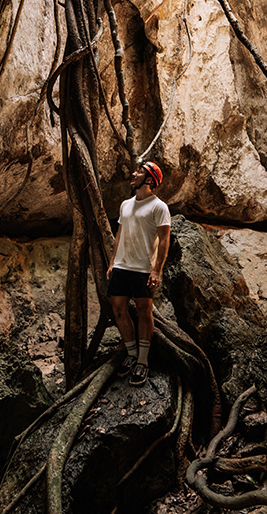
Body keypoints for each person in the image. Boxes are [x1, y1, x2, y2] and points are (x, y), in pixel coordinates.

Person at [106, 161, 171, 386]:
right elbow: (120, 235)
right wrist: (112, 262)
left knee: (144, 312)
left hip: (143, 268)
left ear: (150, 180)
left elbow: (164, 239)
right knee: (119, 310)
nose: (133, 174)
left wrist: (157, 270)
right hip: (122, 267)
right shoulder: (125, 205)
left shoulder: (159, 207)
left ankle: (143, 361)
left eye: (140, 172)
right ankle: (132, 355)